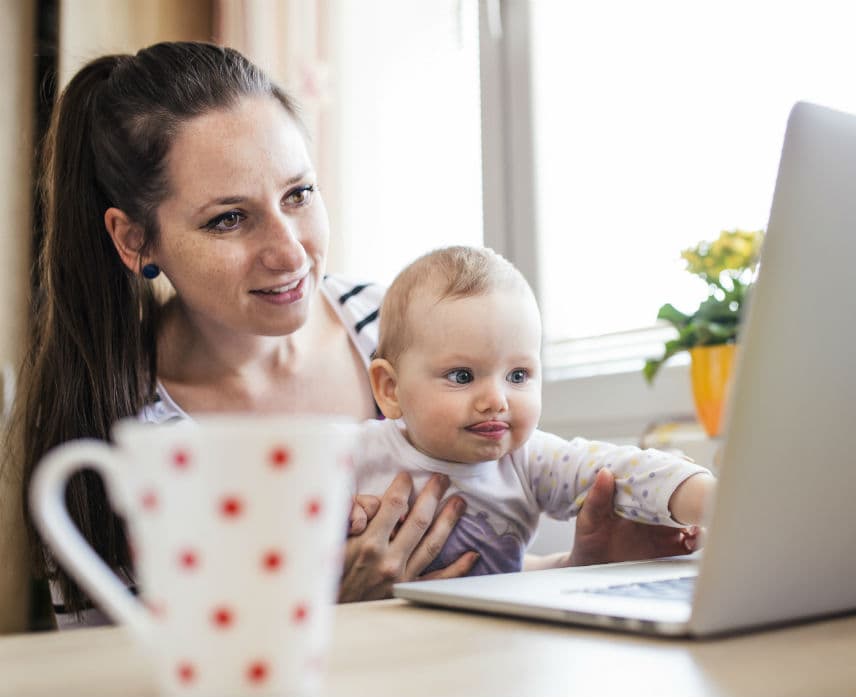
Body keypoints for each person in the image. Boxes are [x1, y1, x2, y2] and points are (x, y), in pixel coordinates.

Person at [2, 41, 698, 629]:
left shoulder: (388, 325)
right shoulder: (112, 432)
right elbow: (111, 671)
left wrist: (576, 569)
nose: (290, 251)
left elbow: (451, 571)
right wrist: (320, 615)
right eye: (228, 219)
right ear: (134, 238)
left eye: (299, 195)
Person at [349, 246, 716, 575]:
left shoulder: (528, 460)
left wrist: (719, 503)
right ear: (390, 389)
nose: (496, 400)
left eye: (518, 374)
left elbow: (620, 471)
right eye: (462, 376)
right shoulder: (352, 454)